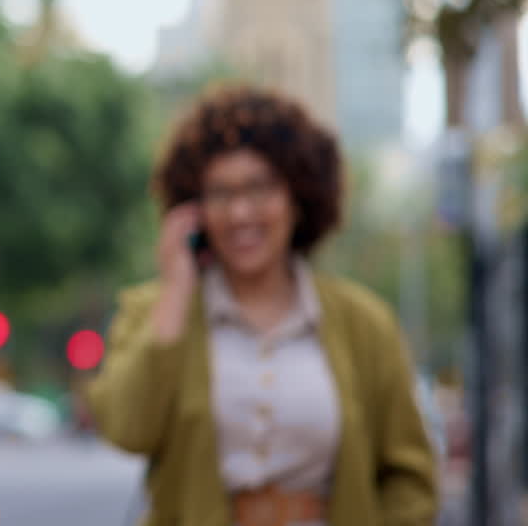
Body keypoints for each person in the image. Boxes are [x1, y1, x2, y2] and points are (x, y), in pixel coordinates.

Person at [87, 86, 436, 526]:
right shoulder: (154, 311)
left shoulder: (364, 323)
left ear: (298, 197)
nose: (240, 213)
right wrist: (176, 288)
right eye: (220, 193)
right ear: (194, 209)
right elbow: (126, 429)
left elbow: (411, 478)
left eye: (260, 188)